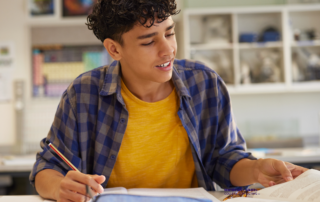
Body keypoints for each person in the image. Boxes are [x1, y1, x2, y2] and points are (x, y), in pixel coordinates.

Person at [29, 0, 308, 201]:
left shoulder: (204, 83)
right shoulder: (84, 93)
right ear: (114, 49)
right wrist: (59, 187)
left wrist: (257, 169)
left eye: (170, 33)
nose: (168, 51)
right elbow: (47, 168)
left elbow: (224, 161)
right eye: (149, 42)